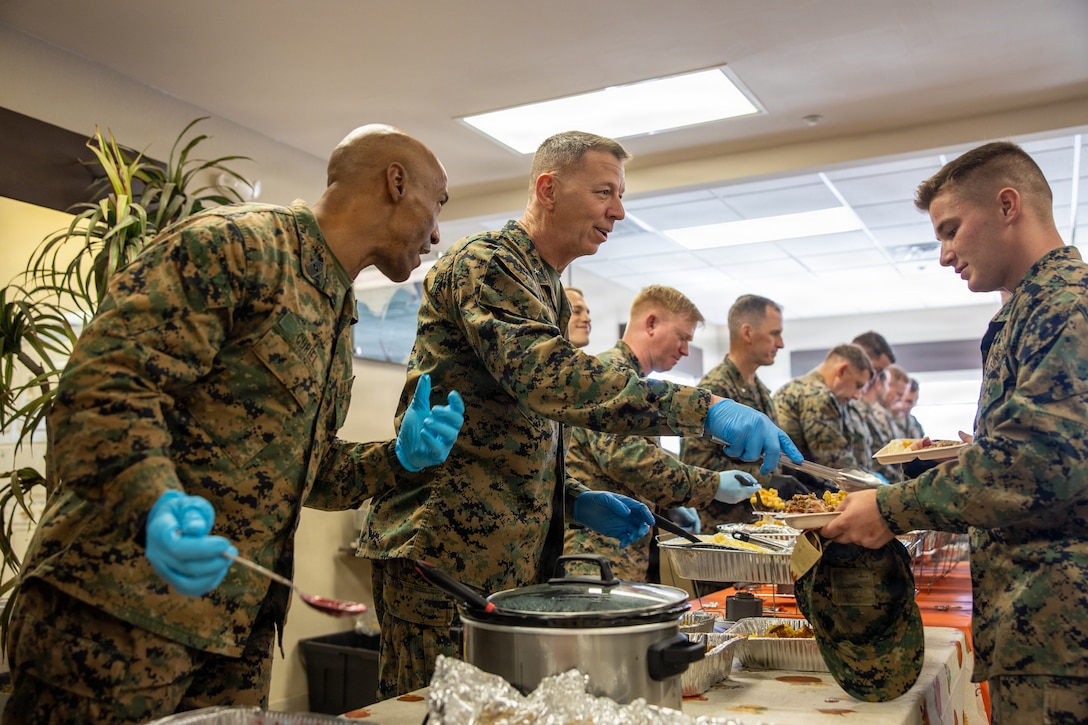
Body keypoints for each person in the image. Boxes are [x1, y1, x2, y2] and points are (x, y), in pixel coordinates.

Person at [2, 125, 468, 725]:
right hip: (117, 611)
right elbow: (107, 383)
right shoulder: (237, 246)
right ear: (395, 182)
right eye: (438, 204)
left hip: (237, 635)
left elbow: (302, 473)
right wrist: (155, 504)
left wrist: (396, 461)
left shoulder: (335, 308)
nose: (436, 232)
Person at [356, 130, 802, 699]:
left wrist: (568, 497)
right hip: (445, 555)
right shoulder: (489, 262)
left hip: (507, 557)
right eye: (603, 193)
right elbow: (551, 381)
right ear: (547, 189)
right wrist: (706, 408)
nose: (618, 211)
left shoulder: (545, 284)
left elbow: (513, 428)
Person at [823, 141, 1088, 724]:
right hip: (1042, 624)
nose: (943, 254)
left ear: (1007, 205)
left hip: (1062, 630)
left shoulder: (1065, 305)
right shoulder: (1030, 309)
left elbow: (1035, 463)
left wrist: (891, 507)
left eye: (950, 230)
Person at [563, 285, 760, 581]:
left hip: (619, 554)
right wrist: (712, 484)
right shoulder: (609, 372)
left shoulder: (634, 381)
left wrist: (669, 505)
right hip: (595, 556)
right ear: (651, 324)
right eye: (682, 337)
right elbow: (629, 459)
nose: (685, 350)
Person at [679, 294, 806, 528]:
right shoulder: (715, 391)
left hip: (761, 525)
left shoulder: (761, 391)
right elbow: (695, 464)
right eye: (774, 333)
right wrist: (768, 481)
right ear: (747, 333)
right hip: (726, 530)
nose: (781, 344)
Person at [772, 344, 874, 492]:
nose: (857, 396)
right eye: (857, 385)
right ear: (842, 370)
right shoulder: (818, 396)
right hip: (805, 492)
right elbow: (836, 464)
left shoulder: (800, 386)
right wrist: (873, 488)